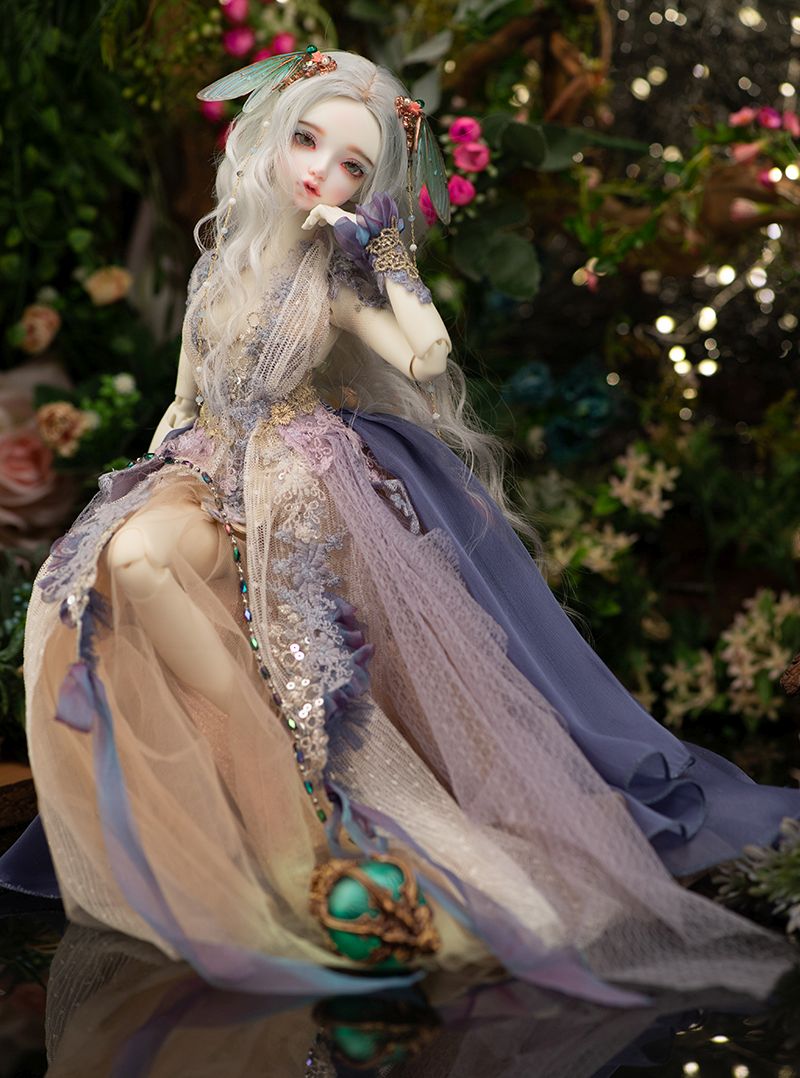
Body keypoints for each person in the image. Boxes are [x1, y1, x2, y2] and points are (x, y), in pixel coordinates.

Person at [1, 48, 797, 1004]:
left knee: (162, 576)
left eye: (351, 165)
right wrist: (154, 465)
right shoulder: (218, 268)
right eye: (307, 142)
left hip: (291, 481)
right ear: (272, 136)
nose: (321, 172)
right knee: (116, 565)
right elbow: (183, 395)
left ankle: (288, 771)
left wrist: (385, 256)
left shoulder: (330, 283)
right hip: (203, 467)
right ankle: (255, 761)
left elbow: (425, 358)